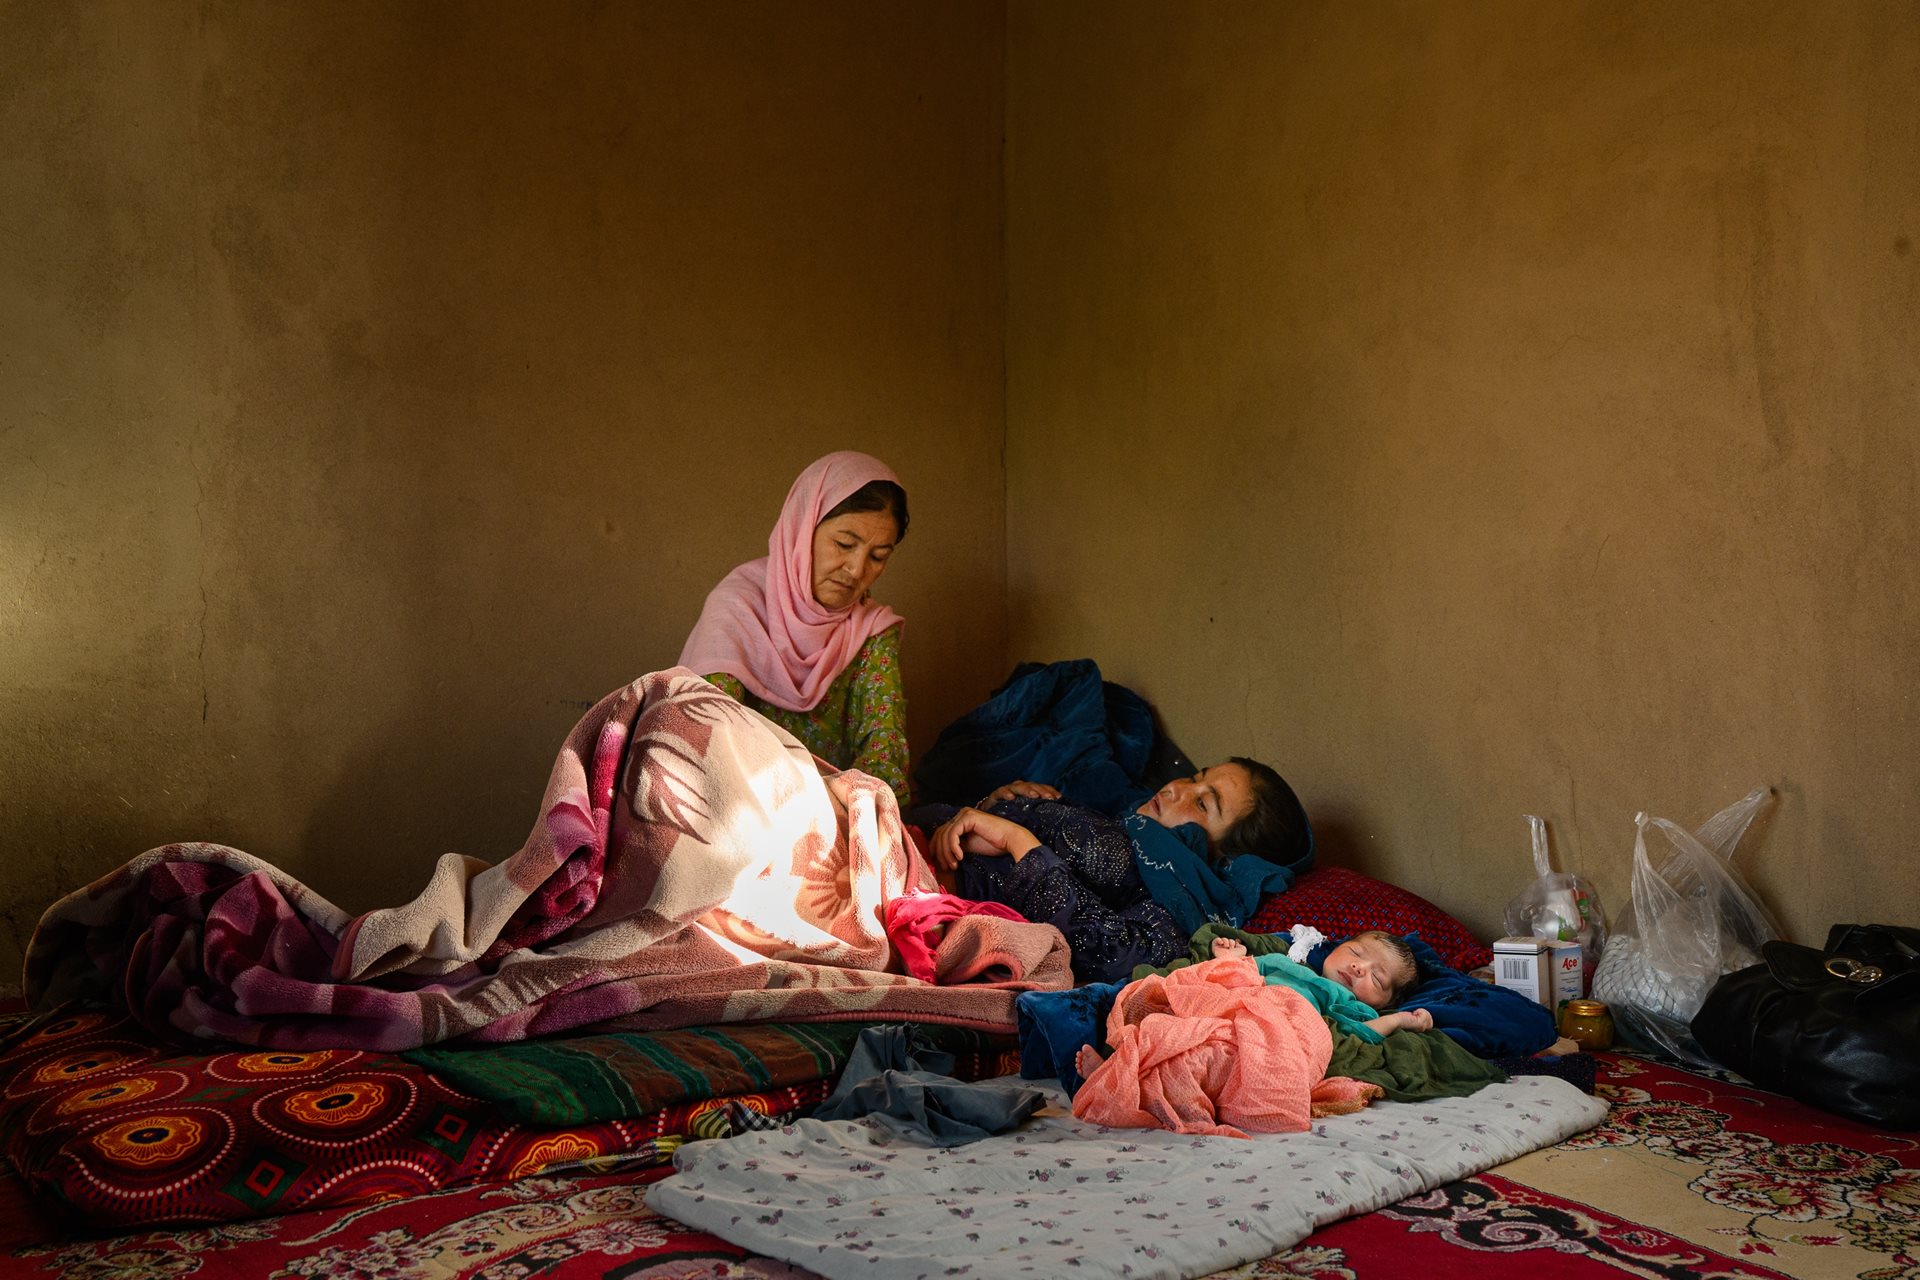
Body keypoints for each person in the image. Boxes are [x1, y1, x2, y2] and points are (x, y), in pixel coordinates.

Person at [920, 759, 1310, 985]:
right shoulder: (1129, 829)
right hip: (915, 841)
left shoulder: (1175, 911)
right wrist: (997, 807)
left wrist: (1018, 841)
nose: (1176, 789)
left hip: (923, 895)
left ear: (1226, 857)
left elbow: (1111, 956)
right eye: (1195, 777)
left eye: (1203, 803)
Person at [679, 451, 913, 805]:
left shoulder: (872, 629)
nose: (856, 569)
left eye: (878, 556)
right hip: (738, 808)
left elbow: (885, 751)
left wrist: (837, 808)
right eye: (845, 544)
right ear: (802, 529)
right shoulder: (739, 607)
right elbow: (708, 730)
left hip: (836, 816)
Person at [1206, 933, 1431, 1040]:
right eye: (1355, 952)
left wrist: (1399, 1019)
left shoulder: (1347, 1003)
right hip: (1229, 1007)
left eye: (1377, 978)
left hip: (1269, 1032)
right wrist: (1232, 958)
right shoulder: (1284, 962)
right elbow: (1239, 973)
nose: (1359, 967)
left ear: (1388, 1002)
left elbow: (1358, 1033)